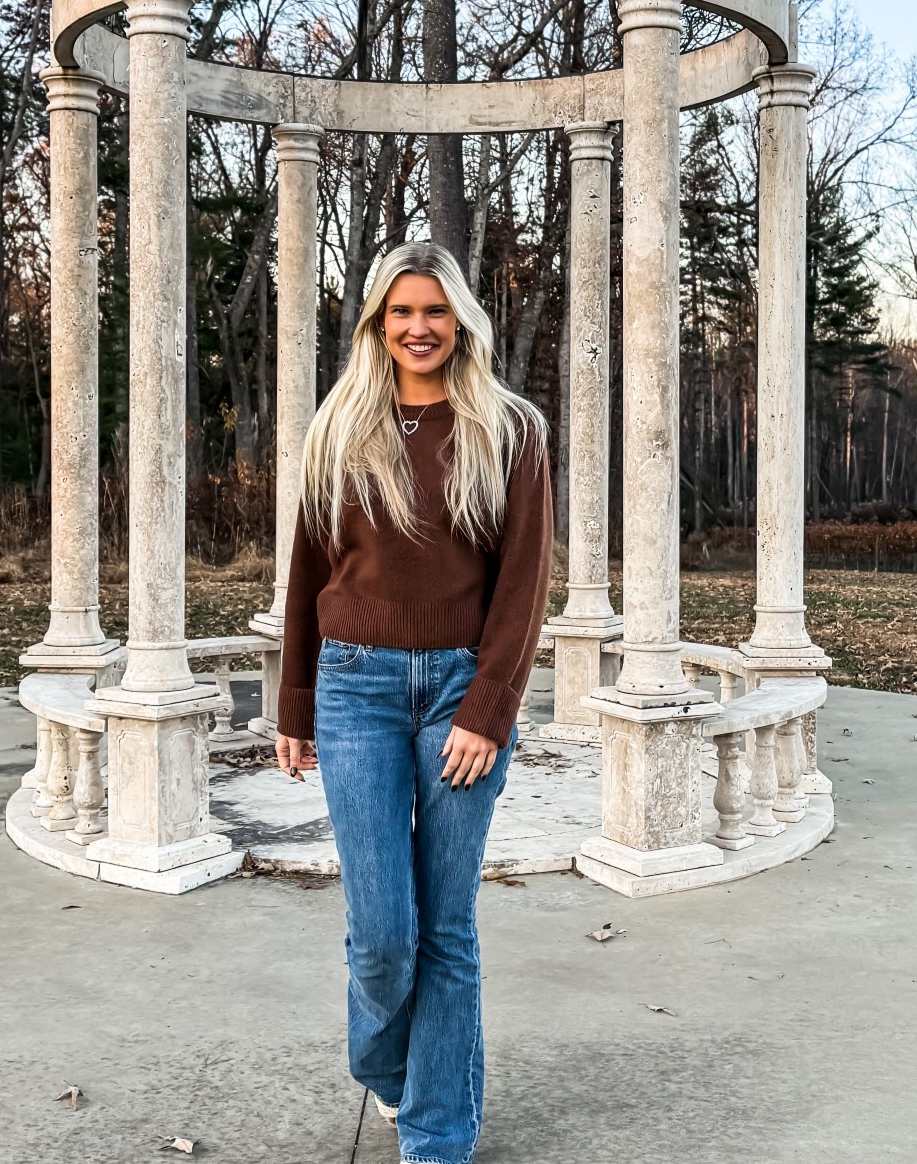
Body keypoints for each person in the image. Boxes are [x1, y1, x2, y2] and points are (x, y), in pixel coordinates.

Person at [275, 240, 554, 1164]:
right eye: (401, 312)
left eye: (435, 310)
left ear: (461, 321)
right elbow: (307, 570)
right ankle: (386, 1066)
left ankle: (437, 1135)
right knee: (382, 937)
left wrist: (488, 709)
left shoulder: (510, 430)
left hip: (459, 694)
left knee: (446, 927)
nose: (419, 327)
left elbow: (523, 584)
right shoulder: (339, 427)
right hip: (355, 689)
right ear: (377, 323)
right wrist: (295, 702)